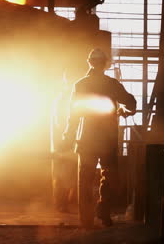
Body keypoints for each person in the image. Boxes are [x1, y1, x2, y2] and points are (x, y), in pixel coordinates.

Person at [57, 48, 136, 229]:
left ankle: (86, 220)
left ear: (90, 62)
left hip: (86, 140)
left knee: (84, 180)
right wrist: (124, 110)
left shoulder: (80, 84)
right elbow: (131, 103)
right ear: (105, 64)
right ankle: (103, 211)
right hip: (107, 140)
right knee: (108, 177)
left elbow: (74, 114)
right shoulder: (112, 84)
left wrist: (67, 137)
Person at [50, 73, 77, 213]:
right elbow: (61, 123)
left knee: (65, 174)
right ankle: (62, 203)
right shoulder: (63, 100)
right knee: (64, 175)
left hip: (64, 143)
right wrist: (68, 138)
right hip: (64, 143)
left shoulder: (62, 99)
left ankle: (63, 202)